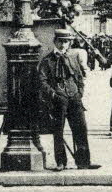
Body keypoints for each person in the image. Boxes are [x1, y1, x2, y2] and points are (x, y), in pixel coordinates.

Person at [38, 30, 99, 171]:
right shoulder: (47, 60)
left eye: (66, 41)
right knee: (58, 131)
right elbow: (42, 81)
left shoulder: (72, 57)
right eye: (61, 41)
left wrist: (80, 92)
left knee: (81, 129)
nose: (63, 44)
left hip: (74, 98)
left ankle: (84, 162)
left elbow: (79, 76)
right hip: (58, 99)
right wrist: (53, 95)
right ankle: (61, 162)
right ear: (55, 41)